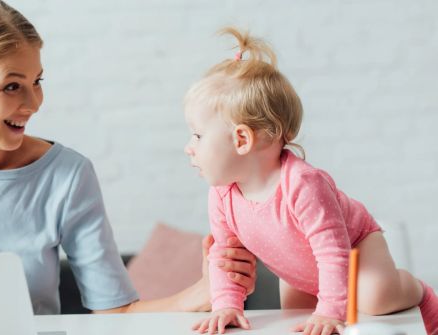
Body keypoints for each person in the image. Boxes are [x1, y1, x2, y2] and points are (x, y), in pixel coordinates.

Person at [0, 0, 258, 315]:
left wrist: (201, 293)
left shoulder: (68, 175)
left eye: (37, 82)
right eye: (12, 86)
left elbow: (113, 314)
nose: (33, 102)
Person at [183, 27, 438, 335]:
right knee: (298, 321)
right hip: (301, 271)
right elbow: (226, 257)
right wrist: (227, 305)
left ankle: (414, 288)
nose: (189, 147)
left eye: (197, 135)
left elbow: (333, 251)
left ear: (241, 139)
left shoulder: (302, 183)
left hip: (354, 247)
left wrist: (331, 310)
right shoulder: (222, 194)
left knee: (376, 297)